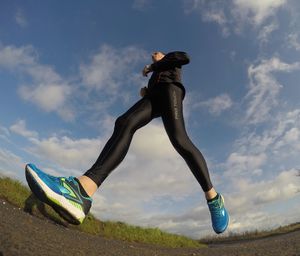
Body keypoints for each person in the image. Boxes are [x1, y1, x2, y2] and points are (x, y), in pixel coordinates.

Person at [25, 51, 229, 234]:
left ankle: (213, 199)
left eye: (157, 53)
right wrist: (147, 92)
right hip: (154, 97)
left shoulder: (170, 60)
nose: (153, 54)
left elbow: (185, 57)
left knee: (179, 140)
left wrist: (155, 64)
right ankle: (82, 191)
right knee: (124, 122)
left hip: (171, 91)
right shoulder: (155, 76)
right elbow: (152, 88)